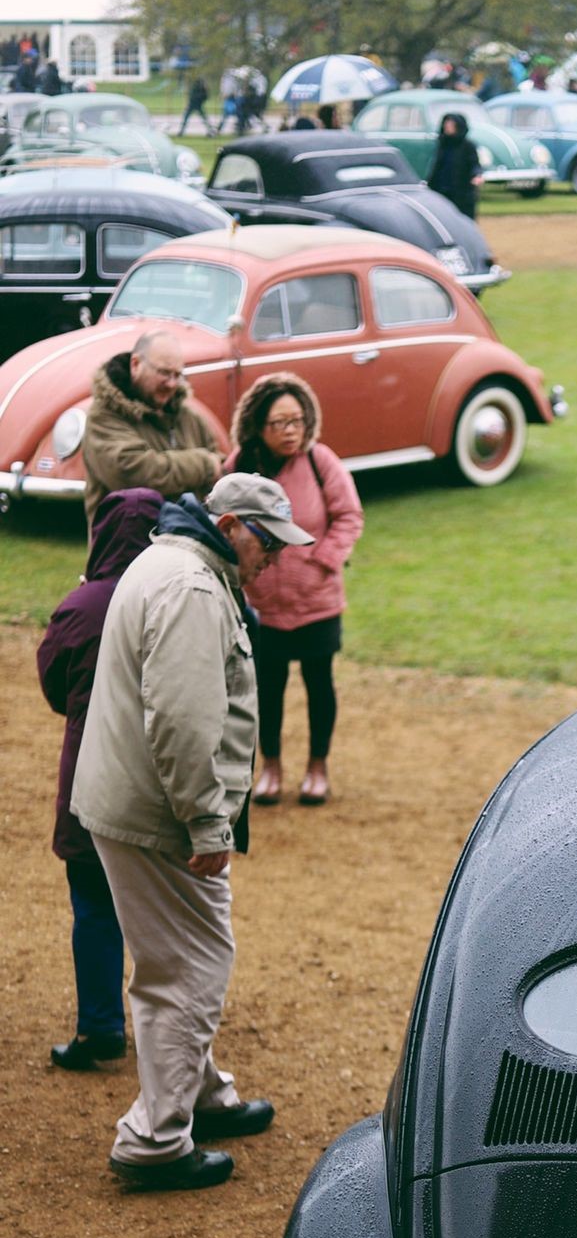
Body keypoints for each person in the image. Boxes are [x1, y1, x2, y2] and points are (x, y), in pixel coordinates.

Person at [71, 476, 315, 1191]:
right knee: (191, 969)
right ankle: (155, 1139)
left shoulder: (177, 563)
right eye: (264, 540)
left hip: (140, 804)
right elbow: (181, 723)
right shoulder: (195, 589)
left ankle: (197, 1093)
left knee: (181, 957)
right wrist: (208, 821)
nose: (271, 556)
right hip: (162, 816)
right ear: (230, 523)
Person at [37, 489, 164, 1071]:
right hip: (159, 779)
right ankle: (166, 1031)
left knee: (93, 904)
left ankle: (100, 1026)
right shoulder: (173, 594)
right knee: (163, 911)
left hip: (90, 775)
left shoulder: (81, 606)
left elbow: (53, 689)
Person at [228, 374, 363, 808]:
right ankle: (271, 766)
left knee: (319, 683)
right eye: (280, 423)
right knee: (267, 687)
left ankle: (317, 766)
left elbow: (349, 516)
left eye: (298, 421)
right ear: (257, 426)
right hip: (261, 605)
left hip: (317, 601)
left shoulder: (322, 462)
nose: (291, 431)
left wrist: (322, 561)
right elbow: (222, 522)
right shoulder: (237, 467)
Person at [82, 329, 220, 532]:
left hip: (187, 550)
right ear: (136, 364)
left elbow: (220, 466)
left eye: (177, 375)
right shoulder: (103, 416)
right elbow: (133, 473)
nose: (172, 383)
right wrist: (204, 465)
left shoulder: (187, 415)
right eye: (164, 373)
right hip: (127, 551)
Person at [428, 111, 481, 217]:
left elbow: (474, 164)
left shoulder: (468, 146)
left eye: (451, 125)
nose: (448, 127)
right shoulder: (442, 144)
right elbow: (436, 167)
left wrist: (477, 175)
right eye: (446, 124)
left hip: (461, 193)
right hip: (442, 189)